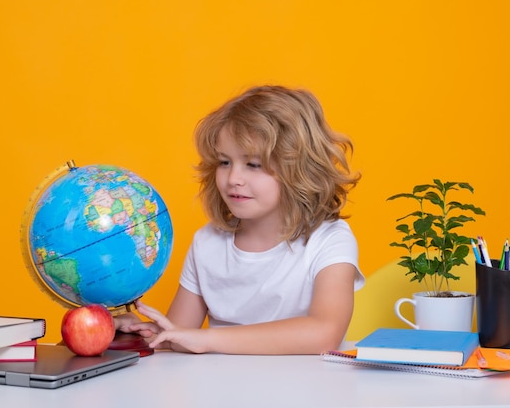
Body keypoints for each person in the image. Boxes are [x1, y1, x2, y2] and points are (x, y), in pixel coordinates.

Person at [115, 85, 365, 354]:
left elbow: (324, 332)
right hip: (223, 390)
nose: (233, 178)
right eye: (224, 162)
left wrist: (207, 339)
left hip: (305, 391)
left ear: (299, 169)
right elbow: (179, 336)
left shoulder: (330, 240)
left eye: (253, 165)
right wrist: (149, 333)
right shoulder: (207, 243)